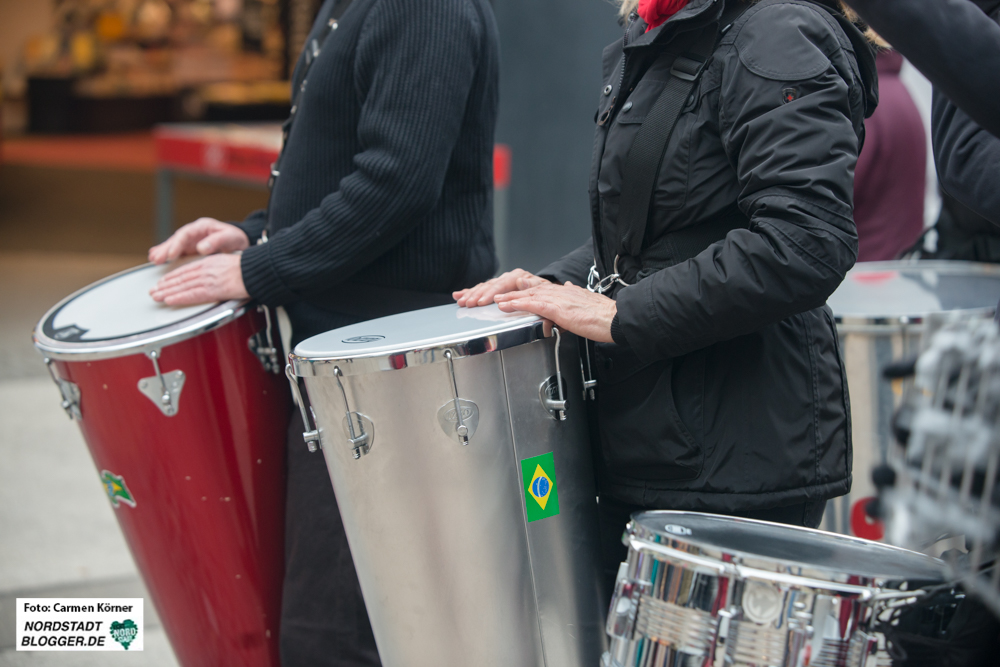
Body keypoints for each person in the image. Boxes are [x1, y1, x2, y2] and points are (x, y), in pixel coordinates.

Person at [456, 0, 877, 595]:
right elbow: (646, 238)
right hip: (652, 439)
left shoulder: (776, 31)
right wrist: (553, 285)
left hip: (734, 461)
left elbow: (805, 242)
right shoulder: (670, 29)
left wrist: (623, 314)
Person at [146, 0, 500, 664]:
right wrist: (255, 234)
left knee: (335, 637)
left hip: (388, 375)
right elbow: (341, 163)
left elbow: (396, 184)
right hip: (343, 362)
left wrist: (261, 267)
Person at [853, 50, 926, 261]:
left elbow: (835, 190)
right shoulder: (899, 91)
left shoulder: (867, 103)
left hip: (864, 271)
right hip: (898, 265)